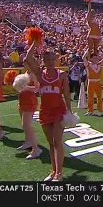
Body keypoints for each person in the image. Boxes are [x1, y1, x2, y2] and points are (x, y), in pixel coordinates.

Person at [24, 40, 73, 182]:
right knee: (51, 143)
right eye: (47, 60)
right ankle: (53, 171)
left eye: (52, 59)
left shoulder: (62, 74)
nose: (50, 62)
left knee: (57, 141)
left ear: (56, 60)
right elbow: (28, 58)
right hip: (45, 111)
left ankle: (59, 173)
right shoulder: (40, 74)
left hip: (59, 111)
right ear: (43, 61)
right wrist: (34, 42)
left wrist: (69, 112)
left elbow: (67, 94)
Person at [16, 69, 42, 160]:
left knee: (26, 125)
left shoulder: (34, 73)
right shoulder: (25, 72)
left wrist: (25, 87)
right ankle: (28, 141)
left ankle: (36, 149)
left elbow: (37, 88)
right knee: (24, 125)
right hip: (22, 100)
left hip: (30, 102)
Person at [83, 48, 103, 117]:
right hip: (91, 82)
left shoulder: (99, 64)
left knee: (99, 97)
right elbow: (83, 58)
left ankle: (100, 110)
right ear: (91, 59)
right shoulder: (88, 64)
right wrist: (88, 51)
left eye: (97, 58)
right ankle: (90, 111)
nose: (96, 59)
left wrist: (100, 52)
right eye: (94, 58)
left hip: (98, 82)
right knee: (90, 97)